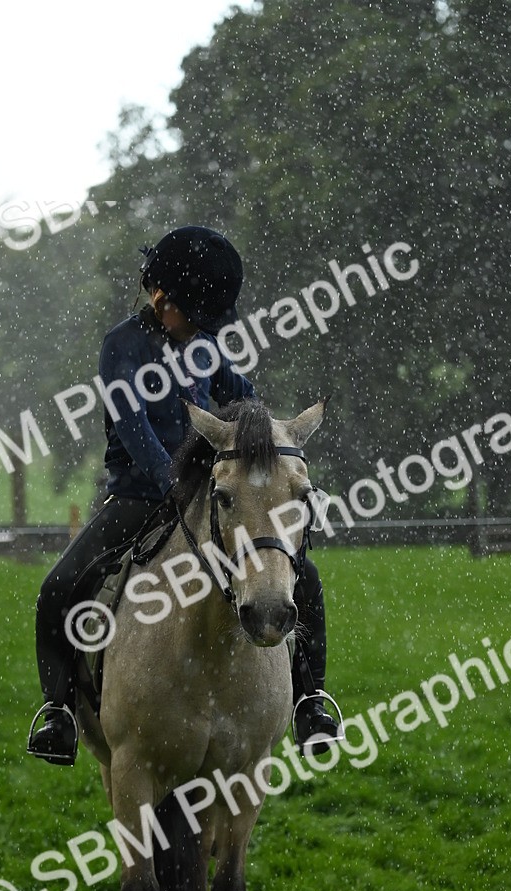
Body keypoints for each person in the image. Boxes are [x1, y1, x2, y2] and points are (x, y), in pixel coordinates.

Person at [27, 225, 342, 766]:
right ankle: (57, 712)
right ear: (160, 298)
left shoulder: (204, 347)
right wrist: (175, 486)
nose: (198, 329)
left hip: (213, 498)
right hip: (137, 496)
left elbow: (243, 400)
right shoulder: (121, 347)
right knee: (59, 587)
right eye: (191, 317)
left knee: (303, 575)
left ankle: (310, 699)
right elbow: (135, 431)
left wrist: (266, 442)